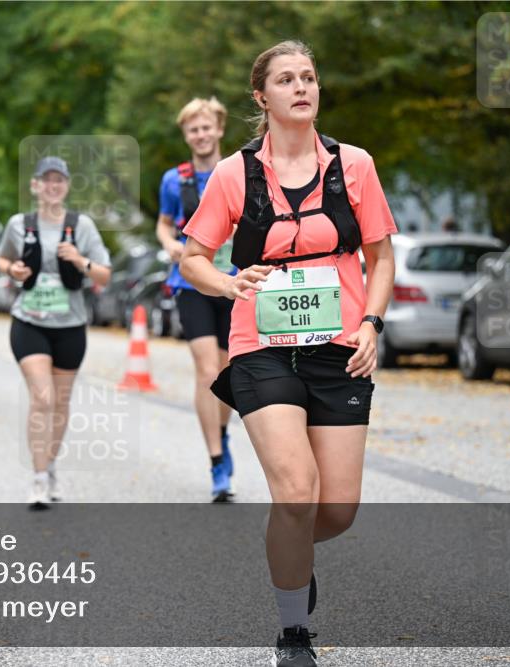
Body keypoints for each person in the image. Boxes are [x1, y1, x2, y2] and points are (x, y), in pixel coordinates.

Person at [180, 41, 396, 667]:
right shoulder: (232, 174)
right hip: (261, 348)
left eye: (308, 77)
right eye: (285, 79)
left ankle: (291, 555)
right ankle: (293, 630)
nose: (301, 87)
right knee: (296, 492)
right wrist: (227, 282)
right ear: (261, 96)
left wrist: (373, 324)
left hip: (338, 348)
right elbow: (193, 257)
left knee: (336, 509)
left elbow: (381, 257)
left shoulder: (354, 165)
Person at [0, 156, 112, 509]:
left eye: (59, 180)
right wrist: (12, 269)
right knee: (43, 398)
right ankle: (37, 478)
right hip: (29, 321)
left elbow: (104, 274)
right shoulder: (20, 224)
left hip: (70, 326)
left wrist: (79, 260)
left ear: (66, 185)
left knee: (59, 403)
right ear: (35, 186)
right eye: (46, 180)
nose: (52, 186)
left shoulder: (82, 226)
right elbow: (3, 259)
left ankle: (49, 465)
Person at [155, 96, 237, 502]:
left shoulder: (240, 172)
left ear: (219, 129)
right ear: (186, 135)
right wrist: (170, 244)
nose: (201, 135)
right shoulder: (175, 180)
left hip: (234, 283)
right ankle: (217, 459)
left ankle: (220, 430)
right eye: (193, 130)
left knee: (227, 374)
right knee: (206, 372)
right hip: (191, 286)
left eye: (207, 127)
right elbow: (164, 224)